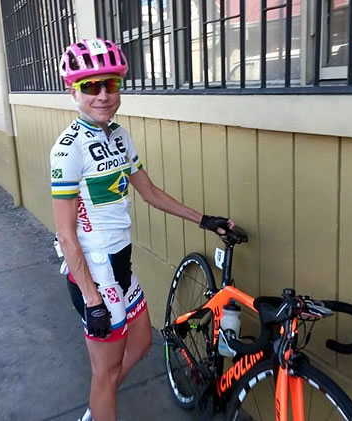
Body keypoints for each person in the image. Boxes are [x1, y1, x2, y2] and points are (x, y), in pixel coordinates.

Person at [50, 38, 234, 421]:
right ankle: (101, 402)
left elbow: (149, 192)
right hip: (95, 274)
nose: (103, 95)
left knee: (141, 343)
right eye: (91, 86)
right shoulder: (68, 149)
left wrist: (203, 219)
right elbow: (66, 235)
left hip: (121, 265)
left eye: (110, 84)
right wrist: (92, 300)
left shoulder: (119, 136)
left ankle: (99, 403)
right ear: (74, 92)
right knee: (105, 372)